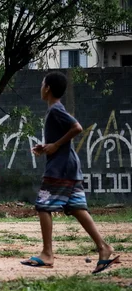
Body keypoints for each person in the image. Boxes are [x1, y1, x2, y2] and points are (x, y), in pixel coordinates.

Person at [21, 71, 119, 274]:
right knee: (76, 207)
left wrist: (55, 146)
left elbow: (77, 127)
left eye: (42, 84)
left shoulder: (55, 109)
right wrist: (48, 146)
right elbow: (66, 134)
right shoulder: (56, 109)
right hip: (70, 166)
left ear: (47, 88)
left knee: (43, 206)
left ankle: (47, 254)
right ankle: (104, 247)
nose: (41, 87)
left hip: (60, 167)